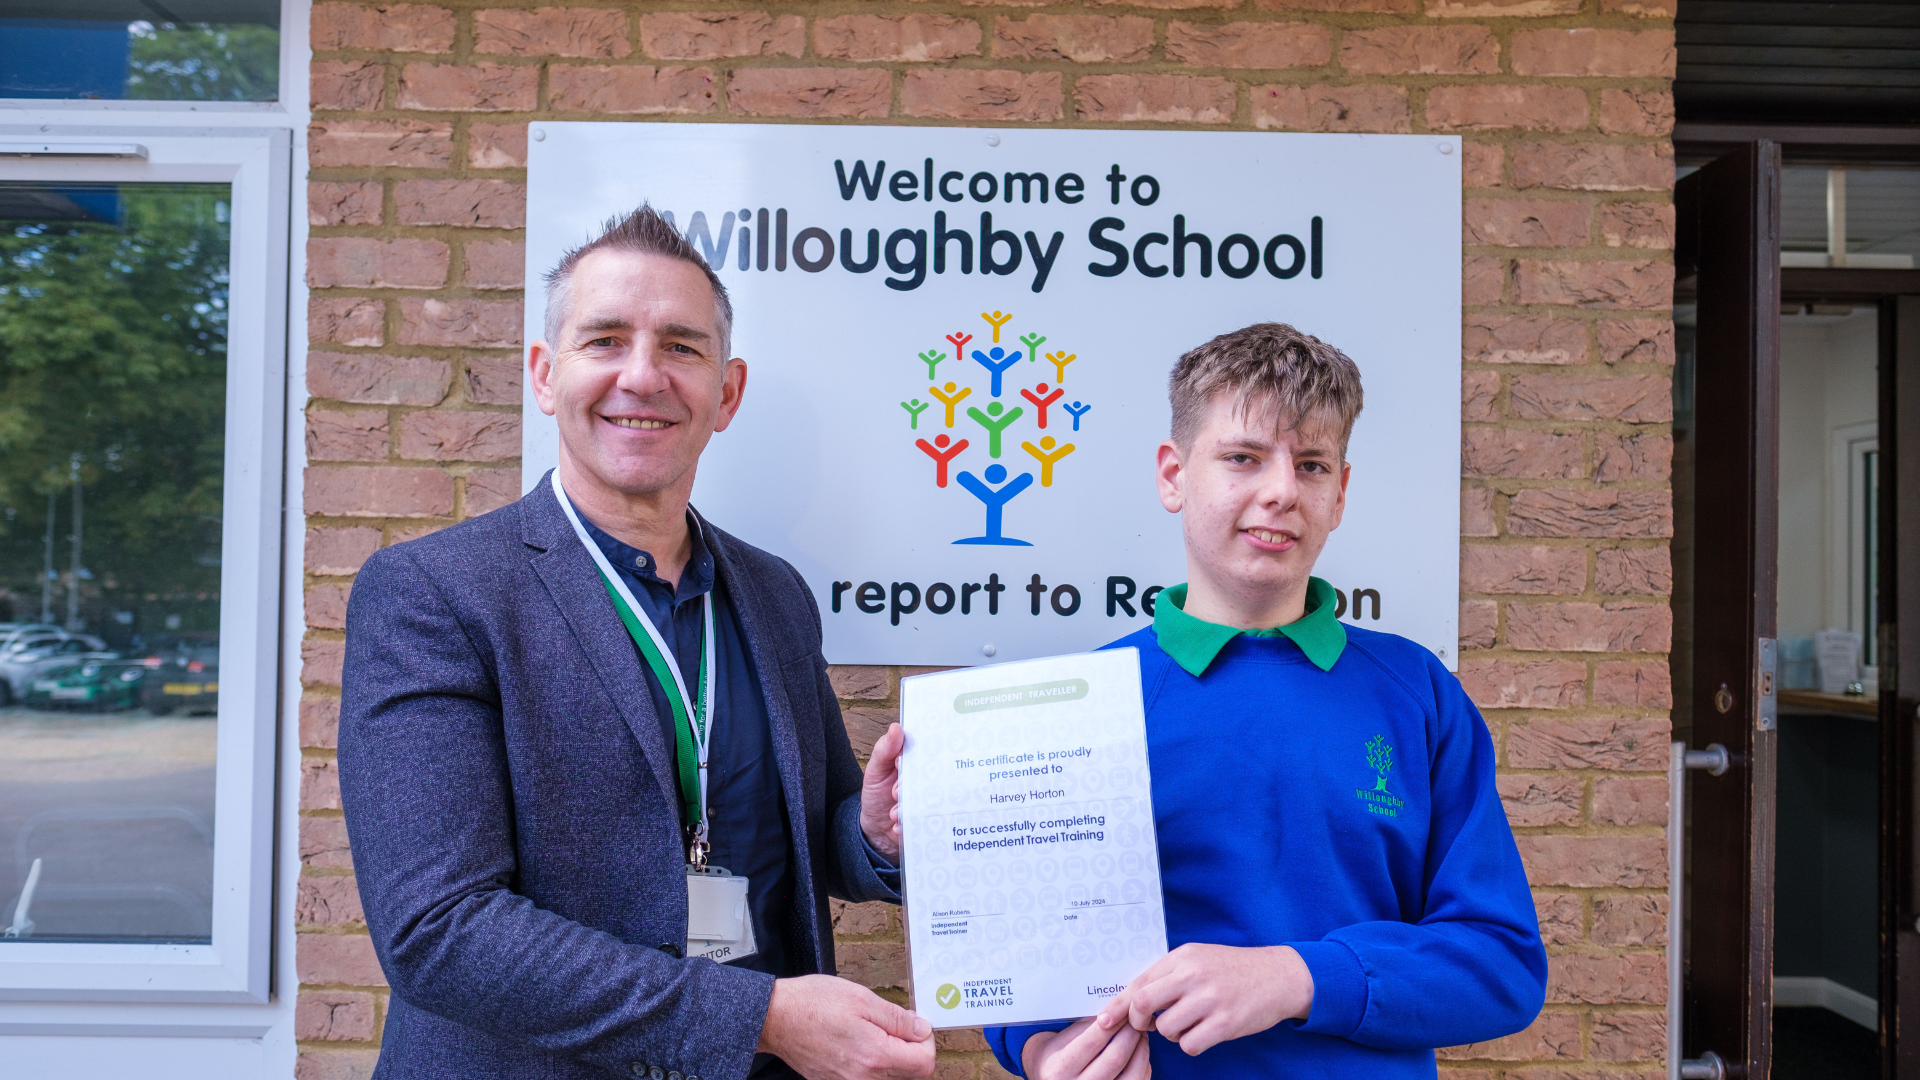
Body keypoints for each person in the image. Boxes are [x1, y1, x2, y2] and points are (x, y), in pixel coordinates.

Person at [337, 206, 937, 1080]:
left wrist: (876, 837)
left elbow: (817, 839)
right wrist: (760, 1017)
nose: (643, 376)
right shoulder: (434, 594)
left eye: (682, 348)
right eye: (606, 341)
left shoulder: (774, 594)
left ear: (726, 393)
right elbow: (438, 931)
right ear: (546, 375)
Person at [982, 323, 1547, 1080]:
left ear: (1340, 492)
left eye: (1311, 464)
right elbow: (1021, 964)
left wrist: (1295, 979)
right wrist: (1042, 1048)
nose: (1281, 490)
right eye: (1244, 458)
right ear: (1173, 474)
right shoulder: (1081, 703)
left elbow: (1502, 964)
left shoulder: (1418, 695)